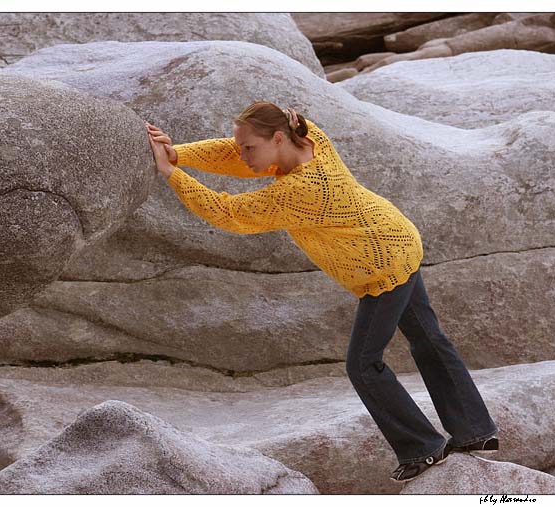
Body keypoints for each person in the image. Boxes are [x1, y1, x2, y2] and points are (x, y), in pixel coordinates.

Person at [145, 101, 499, 483]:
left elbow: (230, 213)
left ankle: (423, 448)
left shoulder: (304, 189)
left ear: (278, 138)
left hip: (383, 266)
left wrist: (172, 172)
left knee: (364, 364)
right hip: (397, 239)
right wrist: (179, 153)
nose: (243, 154)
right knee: (429, 340)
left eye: (251, 147)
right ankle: (475, 431)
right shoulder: (309, 138)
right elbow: (233, 153)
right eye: (243, 146)